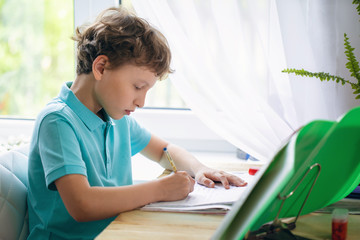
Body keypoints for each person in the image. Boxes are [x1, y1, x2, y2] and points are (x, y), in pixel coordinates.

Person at [27, 6, 247, 239]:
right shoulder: (58, 121)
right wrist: (160, 189)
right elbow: (83, 204)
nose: (141, 102)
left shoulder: (115, 118)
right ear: (101, 67)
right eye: (138, 87)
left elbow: (165, 150)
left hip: (117, 233)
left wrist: (200, 169)